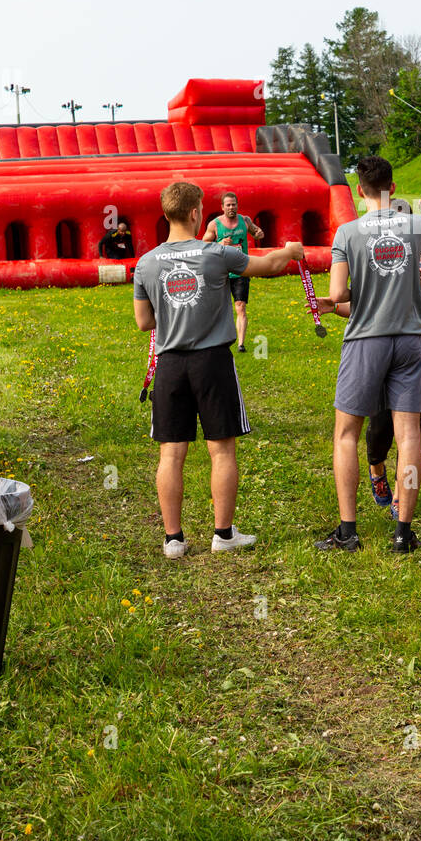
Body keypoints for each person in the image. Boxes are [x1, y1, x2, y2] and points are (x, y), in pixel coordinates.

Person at [133, 180, 303, 560]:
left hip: (170, 366)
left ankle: (173, 540)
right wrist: (291, 250)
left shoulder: (145, 263)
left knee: (170, 454)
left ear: (165, 215)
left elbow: (144, 322)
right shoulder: (215, 254)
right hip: (212, 362)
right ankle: (223, 534)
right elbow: (269, 264)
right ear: (196, 214)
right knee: (221, 450)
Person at [317, 156, 421, 554]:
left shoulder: (347, 232)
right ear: (392, 188)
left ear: (359, 189)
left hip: (366, 339)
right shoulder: (415, 225)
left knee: (346, 434)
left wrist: (337, 299)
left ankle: (348, 531)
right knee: (409, 435)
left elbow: (340, 294)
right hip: (413, 339)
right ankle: (402, 533)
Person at [202, 191, 265, 353]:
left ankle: (241, 344)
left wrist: (259, 233)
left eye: (234, 204)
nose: (231, 207)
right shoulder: (214, 224)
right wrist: (220, 242)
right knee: (219, 308)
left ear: (237, 205)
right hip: (221, 271)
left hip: (240, 270)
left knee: (240, 306)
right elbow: (204, 244)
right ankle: (216, 341)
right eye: (228, 205)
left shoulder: (245, 220)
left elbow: (257, 232)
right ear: (222, 207)